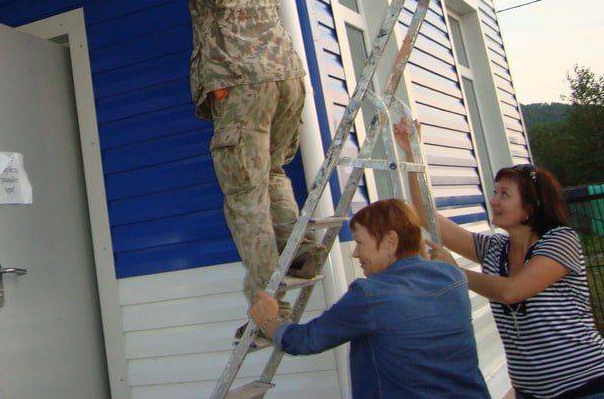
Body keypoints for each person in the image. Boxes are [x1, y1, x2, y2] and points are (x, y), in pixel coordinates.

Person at [139, 0, 322, 335]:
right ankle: (302, 252)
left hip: (241, 86)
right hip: (287, 78)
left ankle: (268, 311)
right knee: (274, 170)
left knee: (244, 197)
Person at [248, 198, 491, 398]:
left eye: (360, 243)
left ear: (391, 241)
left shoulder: (371, 295)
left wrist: (270, 321)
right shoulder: (453, 277)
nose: (355, 253)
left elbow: (305, 340)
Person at [418, 151, 604, 399]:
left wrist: (455, 272)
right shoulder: (495, 249)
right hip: (530, 392)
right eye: (495, 192)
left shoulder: (561, 240)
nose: (493, 200)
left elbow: (511, 291)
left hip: (586, 385)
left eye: (504, 194)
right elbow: (426, 216)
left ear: (529, 207)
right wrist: (411, 151)